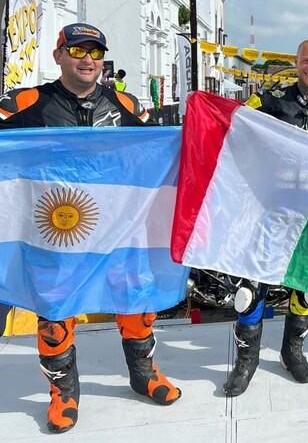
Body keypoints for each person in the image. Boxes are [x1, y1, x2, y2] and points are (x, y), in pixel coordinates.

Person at [0, 22, 180, 433]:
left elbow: (159, 152)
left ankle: (144, 373)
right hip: (56, 230)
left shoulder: (128, 104)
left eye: (96, 52)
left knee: (137, 298)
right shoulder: (25, 103)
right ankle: (63, 391)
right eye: (78, 51)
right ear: (58, 55)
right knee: (54, 311)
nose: (88, 59)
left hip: (120, 230)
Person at [224, 39, 308, 396]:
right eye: (306, 60)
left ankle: (292, 353)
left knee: (305, 289)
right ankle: (246, 362)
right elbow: (232, 119)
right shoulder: (272, 101)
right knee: (250, 290)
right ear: (297, 63)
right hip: (270, 212)